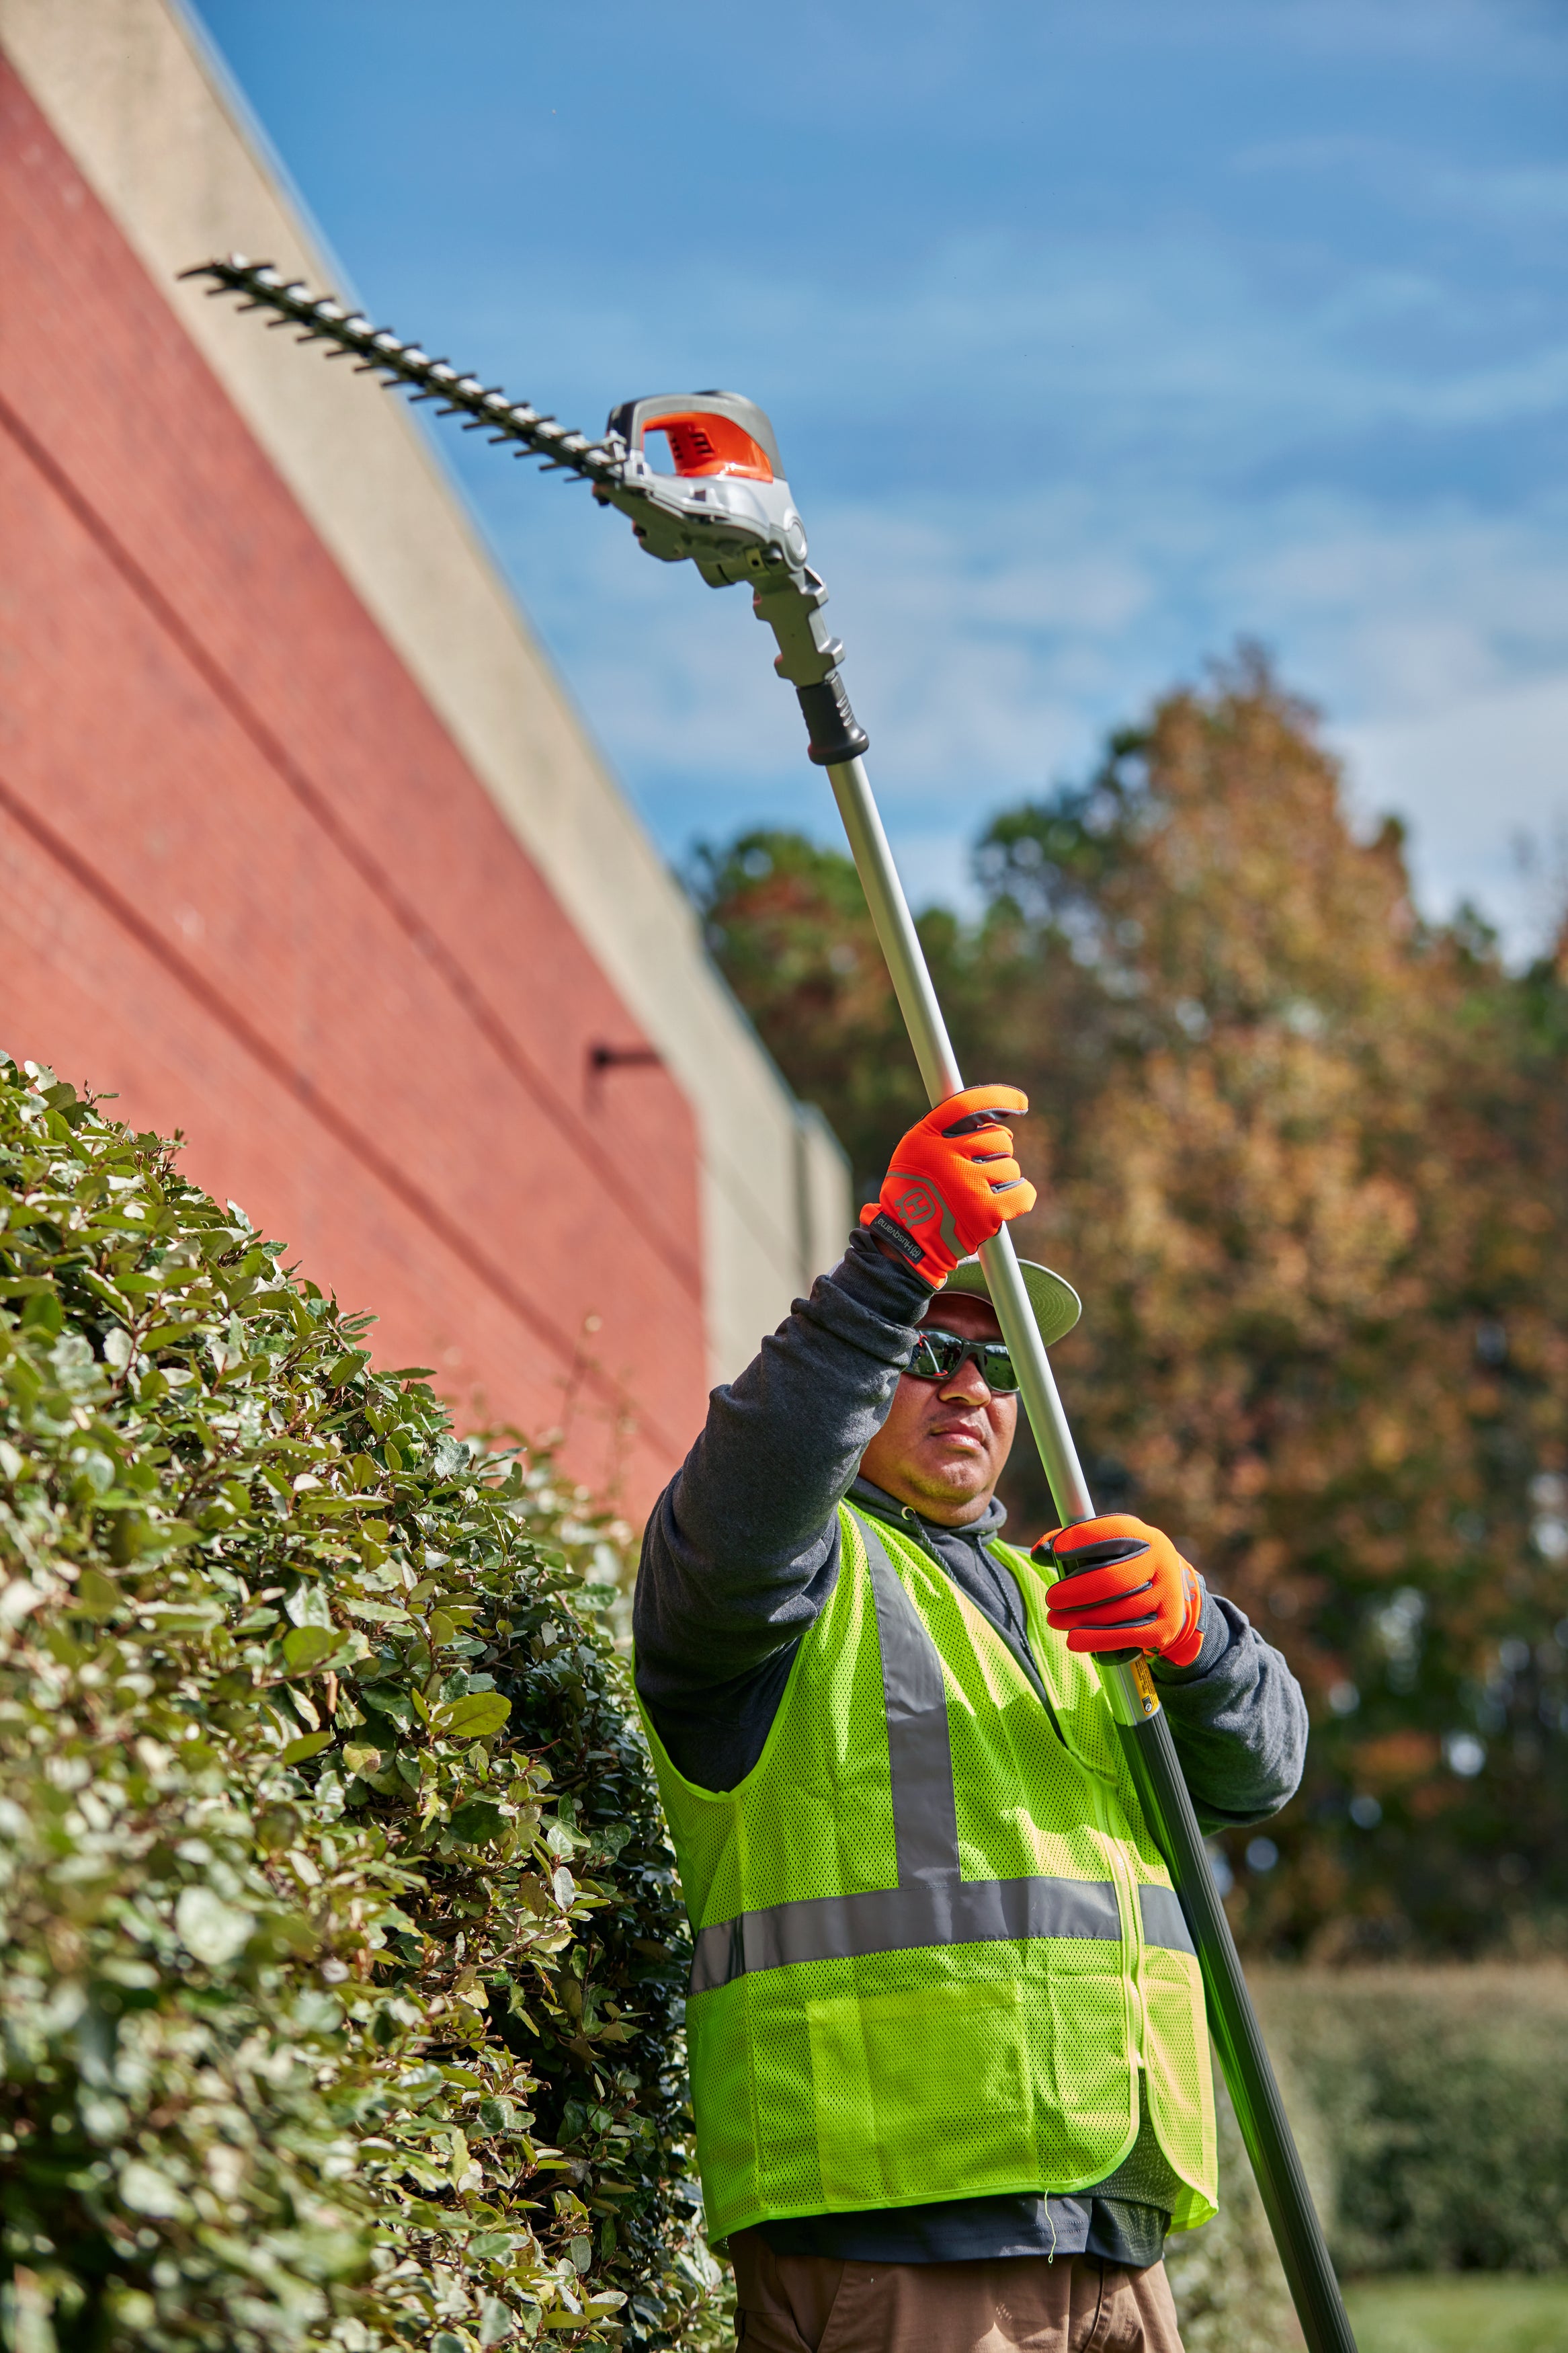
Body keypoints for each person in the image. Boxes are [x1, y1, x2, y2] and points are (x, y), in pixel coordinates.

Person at [634, 1084, 1307, 2353]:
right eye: (922, 1352)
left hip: (1116, 2240)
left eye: (997, 1364)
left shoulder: (1079, 1603)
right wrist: (893, 1261)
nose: (965, 1386)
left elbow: (1260, 1771)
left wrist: (1200, 1639)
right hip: (893, 2238)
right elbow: (744, 1502)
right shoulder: (784, 1583)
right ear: (861, 1375)